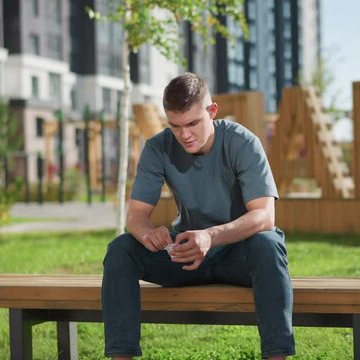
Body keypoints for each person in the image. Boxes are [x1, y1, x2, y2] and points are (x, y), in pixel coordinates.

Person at [102, 72, 294, 359]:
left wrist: (211, 236)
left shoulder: (243, 143)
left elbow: (264, 216)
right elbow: (136, 216)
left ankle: (276, 356)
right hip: (186, 254)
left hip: (238, 254)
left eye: (193, 123)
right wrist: (148, 233)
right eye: (176, 126)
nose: (185, 134)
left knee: (268, 243)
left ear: (212, 111)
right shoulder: (157, 147)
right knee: (120, 250)